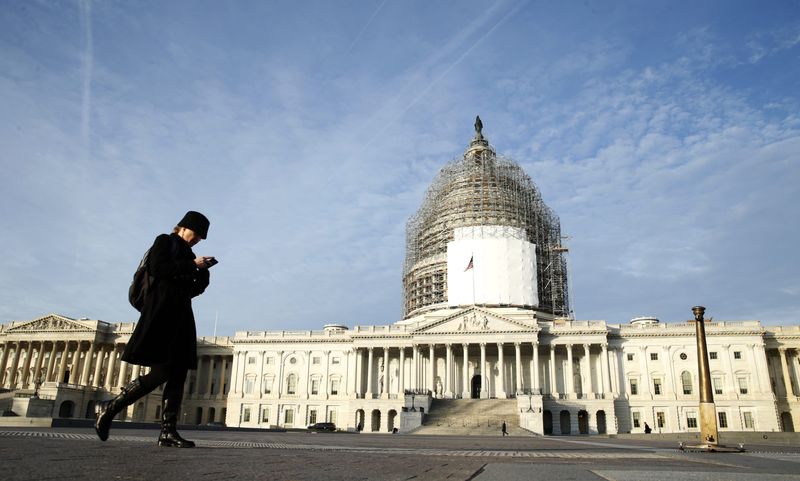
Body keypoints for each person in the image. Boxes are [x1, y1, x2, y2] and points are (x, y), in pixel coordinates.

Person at [95, 211, 214, 448]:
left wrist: (203, 273)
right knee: (160, 373)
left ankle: (168, 432)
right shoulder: (164, 241)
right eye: (196, 234)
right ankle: (110, 408)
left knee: (179, 373)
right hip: (162, 314)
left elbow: (191, 290)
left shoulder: (189, 255)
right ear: (183, 227)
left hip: (182, 315)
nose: (197, 240)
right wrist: (192, 264)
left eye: (200, 238)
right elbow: (158, 268)